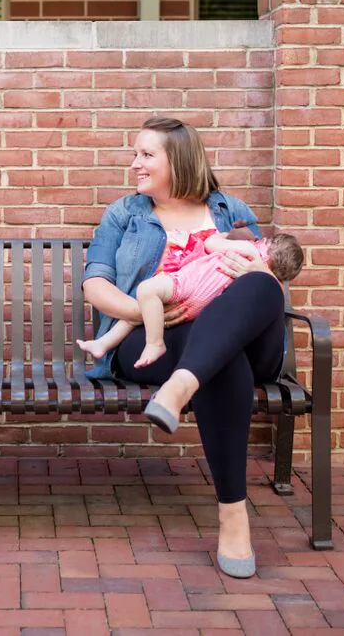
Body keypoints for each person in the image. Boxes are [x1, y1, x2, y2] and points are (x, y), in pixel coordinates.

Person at [82, 116, 292, 580]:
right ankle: (233, 515)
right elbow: (95, 286)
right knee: (223, 362)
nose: (134, 164)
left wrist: (256, 274)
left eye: (145, 155)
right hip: (155, 340)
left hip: (240, 332)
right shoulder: (125, 213)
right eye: (135, 154)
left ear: (177, 160)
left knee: (262, 283)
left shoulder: (230, 211)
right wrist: (145, 311)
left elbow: (272, 278)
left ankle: (178, 391)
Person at [78, 230, 304, 370]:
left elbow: (211, 244)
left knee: (146, 292)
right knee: (144, 312)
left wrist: (219, 236)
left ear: (268, 244)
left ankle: (154, 344)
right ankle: (103, 344)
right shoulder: (260, 274)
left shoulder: (248, 249)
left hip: (189, 285)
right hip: (203, 306)